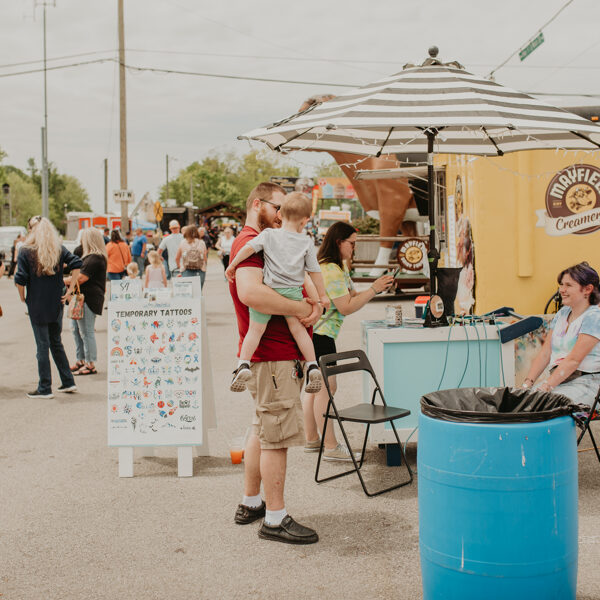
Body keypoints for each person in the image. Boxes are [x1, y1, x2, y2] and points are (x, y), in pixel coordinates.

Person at [229, 182, 321, 545]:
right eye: (277, 206)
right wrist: (304, 308)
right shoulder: (253, 241)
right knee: (277, 439)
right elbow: (251, 293)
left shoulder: (269, 240)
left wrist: (313, 303)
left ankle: (252, 502)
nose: (282, 214)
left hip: (273, 354)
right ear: (258, 204)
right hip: (274, 355)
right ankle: (275, 518)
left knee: (264, 429)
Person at [302, 221, 393, 461]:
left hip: (316, 334)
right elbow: (346, 306)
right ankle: (331, 447)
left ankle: (312, 439)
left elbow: (351, 295)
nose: (354, 248)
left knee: (315, 387)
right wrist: (374, 289)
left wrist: (375, 288)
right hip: (321, 335)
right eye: (352, 244)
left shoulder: (336, 267)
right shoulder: (331, 270)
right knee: (326, 388)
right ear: (338, 242)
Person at [226, 192, 330, 394]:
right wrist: (321, 297)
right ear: (306, 220)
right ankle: (312, 365)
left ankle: (243, 364)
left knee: (255, 331)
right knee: (299, 331)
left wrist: (233, 264)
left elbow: (248, 249)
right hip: (293, 292)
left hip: (271, 290)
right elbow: (314, 272)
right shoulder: (306, 242)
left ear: (280, 215)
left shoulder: (268, 235)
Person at [14, 216, 82, 398]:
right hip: (56, 302)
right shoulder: (57, 249)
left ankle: (45, 387)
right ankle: (68, 381)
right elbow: (77, 263)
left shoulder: (25, 251)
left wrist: (23, 297)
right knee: (56, 342)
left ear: (32, 231)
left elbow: (20, 279)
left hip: (37, 303)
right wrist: (69, 290)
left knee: (42, 345)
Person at [523, 262, 600, 402]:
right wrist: (527, 384)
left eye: (568, 285)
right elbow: (545, 353)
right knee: (522, 401)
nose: (562, 290)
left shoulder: (594, 317)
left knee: (543, 404)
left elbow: (574, 360)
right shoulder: (563, 313)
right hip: (560, 381)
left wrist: (547, 386)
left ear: (588, 289)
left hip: (587, 383)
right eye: (561, 284)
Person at [65, 227, 107, 376]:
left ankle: (90, 363)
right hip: (82, 299)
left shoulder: (95, 258)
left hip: (89, 299)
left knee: (86, 331)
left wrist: (62, 280)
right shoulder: (89, 257)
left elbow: (81, 278)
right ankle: (81, 360)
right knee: (76, 329)